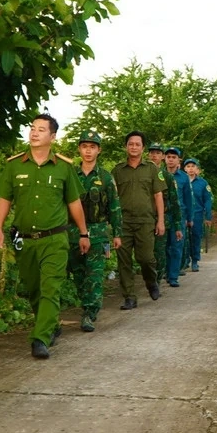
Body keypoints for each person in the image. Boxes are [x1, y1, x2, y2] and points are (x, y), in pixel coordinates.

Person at [0, 114, 89, 359]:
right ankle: (50, 324)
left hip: (55, 239)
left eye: (41, 130)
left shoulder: (64, 168)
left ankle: (40, 338)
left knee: (50, 288)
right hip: (24, 240)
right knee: (33, 289)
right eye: (32, 128)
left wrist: (84, 233)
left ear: (53, 137)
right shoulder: (14, 166)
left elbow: (74, 202)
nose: (34, 133)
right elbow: (5, 199)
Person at [67, 130, 122, 332]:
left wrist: (117, 233)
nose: (88, 151)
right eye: (84, 146)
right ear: (79, 149)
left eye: (92, 147)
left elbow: (115, 206)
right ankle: (85, 304)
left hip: (98, 232)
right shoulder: (71, 174)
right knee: (79, 274)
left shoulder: (106, 178)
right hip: (73, 232)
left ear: (98, 150)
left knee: (95, 274)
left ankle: (90, 313)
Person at [111, 131, 167, 310]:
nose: (134, 147)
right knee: (124, 261)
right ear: (126, 147)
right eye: (130, 144)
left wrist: (161, 221)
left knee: (146, 258)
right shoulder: (117, 171)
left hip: (145, 221)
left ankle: (151, 282)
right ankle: (129, 297)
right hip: (123, 222)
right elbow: (112, 199)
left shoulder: (151, 169)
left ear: (143, 148)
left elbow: (158, 195)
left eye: (137, 144)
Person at [147, 143, 182, 286]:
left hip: (162, 219)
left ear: (162, 157)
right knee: (146, 253)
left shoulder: (167, 176)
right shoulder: (143, 173)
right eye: (152, 152)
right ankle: (149, 278)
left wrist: (178, 225)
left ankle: (156, 282)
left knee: (160, 252)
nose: (154, 155)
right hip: (145, 218)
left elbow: (175, 202)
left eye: (157, 153)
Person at [164, 147, 193, 287]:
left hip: (179, 216)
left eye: (173, 157)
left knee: (176, 246)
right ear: (165, 159)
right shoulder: (159, 175)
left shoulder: (183, 178)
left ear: (178, 160)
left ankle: (173, 276)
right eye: (168, 156)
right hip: (163, 215)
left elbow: (188, 199)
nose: (170, 159)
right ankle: (166, 272)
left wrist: (190, 218)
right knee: (164, 246)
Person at [183, 158, 213, 272]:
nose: (191, 169)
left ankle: (195, 260)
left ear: (198, 169)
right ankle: (184, 260)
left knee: (195, 237)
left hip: (197, 214)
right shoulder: (182, 181)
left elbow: (208, 200)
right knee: (183, 238)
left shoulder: (202, 183)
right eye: (188, 166)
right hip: (184, 214)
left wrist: (208, 216)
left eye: (193, 166)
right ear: (185, 169)